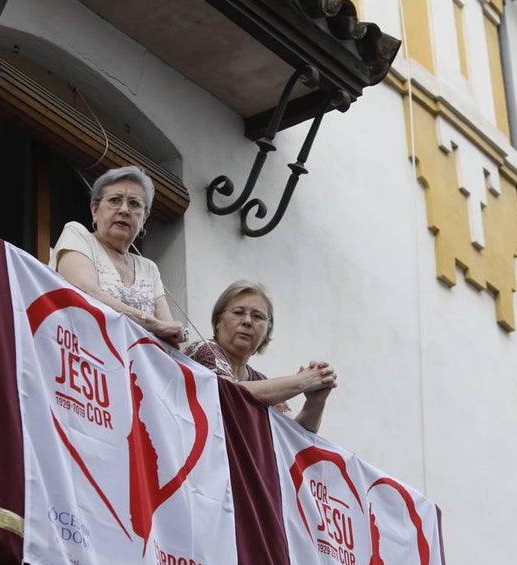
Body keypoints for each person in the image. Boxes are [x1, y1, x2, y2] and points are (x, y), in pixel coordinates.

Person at [54, 165, 185, 347]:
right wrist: (152, 323)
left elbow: (170, 337)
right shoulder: (77, 235)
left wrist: (170, 330)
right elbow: (84, 293)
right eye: (115, 200)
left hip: (134, 370)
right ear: (94, 209)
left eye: (134, 203)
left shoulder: (149, 268)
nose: (124, 210)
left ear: (144, 217)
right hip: (82, 357)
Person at [185, 281, 336, 433]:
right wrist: (302, 381)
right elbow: (231, 393)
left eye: (257, 316)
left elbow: (294, 438)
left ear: (266, 334)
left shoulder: (259, 381)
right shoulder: (203, 349)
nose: (247, 321)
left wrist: (315, 402)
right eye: (238, 312)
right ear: (218, 321)